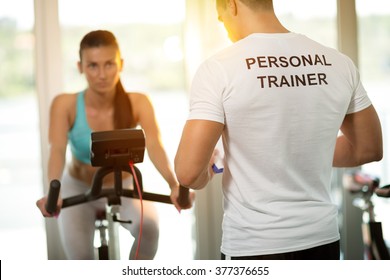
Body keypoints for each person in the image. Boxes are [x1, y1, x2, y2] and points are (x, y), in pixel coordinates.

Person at [174, 0, 383, 260]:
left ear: (232, 5)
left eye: (220, 16)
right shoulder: (338, 62)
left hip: (256, 245)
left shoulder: (218, 68)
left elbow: (188, 172)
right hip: (322, 240)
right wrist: (296, 150)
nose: (222, 24)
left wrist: (206, 171)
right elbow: (368, 149)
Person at [36, 30, 191, 260]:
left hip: (124, 185)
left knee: (149, 229)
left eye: (109, 64)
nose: (101, 74)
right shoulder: (64, 104)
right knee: (80, 259)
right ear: (80, 67)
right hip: (79, 188)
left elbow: (155, 144)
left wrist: (174, 184)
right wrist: (51, 193)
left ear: (121, 64)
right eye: (93, 66)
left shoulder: (138, 102)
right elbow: (57, 149)